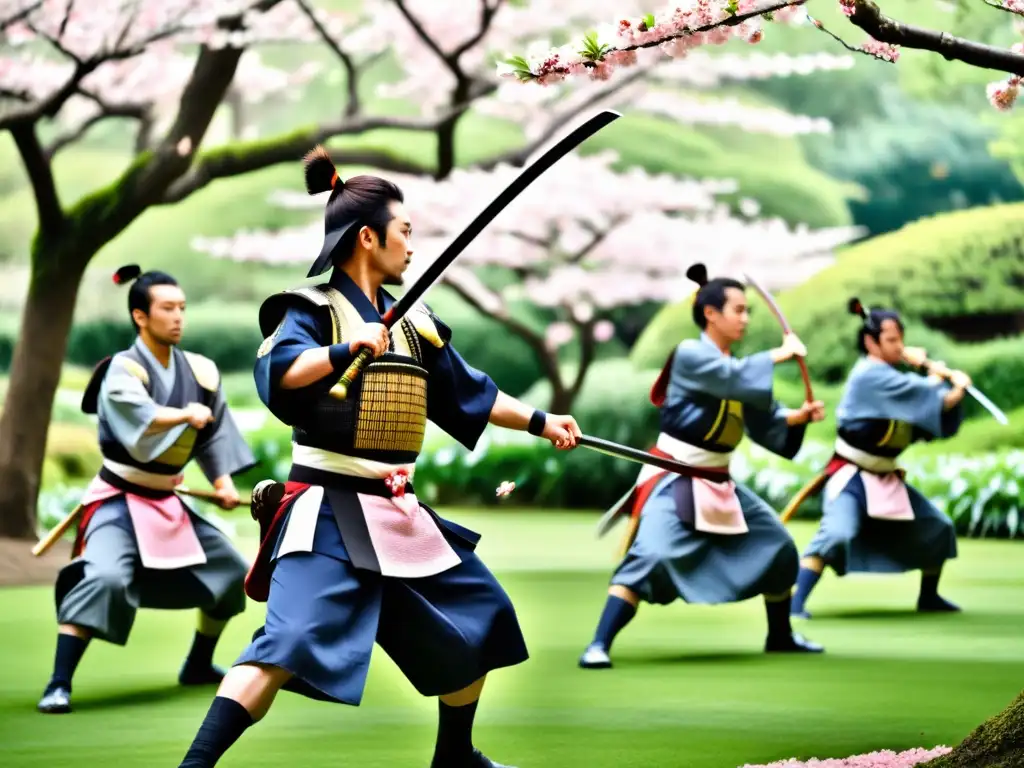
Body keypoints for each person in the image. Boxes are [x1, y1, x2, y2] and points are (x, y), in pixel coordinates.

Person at [174, 145, 582, 768]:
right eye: (405, 233)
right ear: (368, 238)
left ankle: (455, 758)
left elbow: (471, 392)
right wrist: (344, 351)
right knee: (288, 640)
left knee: (482, 616)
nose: (413, 247)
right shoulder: (308, 312)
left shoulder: (416, 323)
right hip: (327, 512)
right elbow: (279, 373)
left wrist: (542, 420)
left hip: (398, 514)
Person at [578, 263, 826, 670]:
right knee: (650, 554)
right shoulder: (692, 355)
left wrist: (796, 418)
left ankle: (780, 635)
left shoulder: (737, 369)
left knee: (779, 546)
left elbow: (758, 413)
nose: (745, 318)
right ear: (710, 314)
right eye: (738, 310)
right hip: (675, 473)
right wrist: (780, 354)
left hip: (718, 478)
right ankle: (598, 643)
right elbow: (733, 379)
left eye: (748, 310)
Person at [37, 265, 256, 715]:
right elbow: (141, 422)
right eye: (167, 309)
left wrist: (223, 483)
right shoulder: (121, 369)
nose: (178, 317)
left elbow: (213, 436)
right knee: (105, 578)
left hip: (169, 501)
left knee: (233, 571)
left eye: (182, 308)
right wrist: (183, 415)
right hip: (118, 499)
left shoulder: (201, 371)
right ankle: (59, 683)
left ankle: (197, 663)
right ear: (141, 316)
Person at [788, 299, 965, 619]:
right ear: (871, 342)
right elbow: (926, 397)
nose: (899, 346)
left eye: (900, 339)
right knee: (837, 533)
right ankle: (794, 602)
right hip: (853, 475)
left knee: (937, 527)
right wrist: (946, 384)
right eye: (891, 340)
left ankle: (929, 596)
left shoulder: (891, 376)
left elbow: (926, 416)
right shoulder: (870, 375)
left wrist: (939, 386)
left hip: (885, 475)